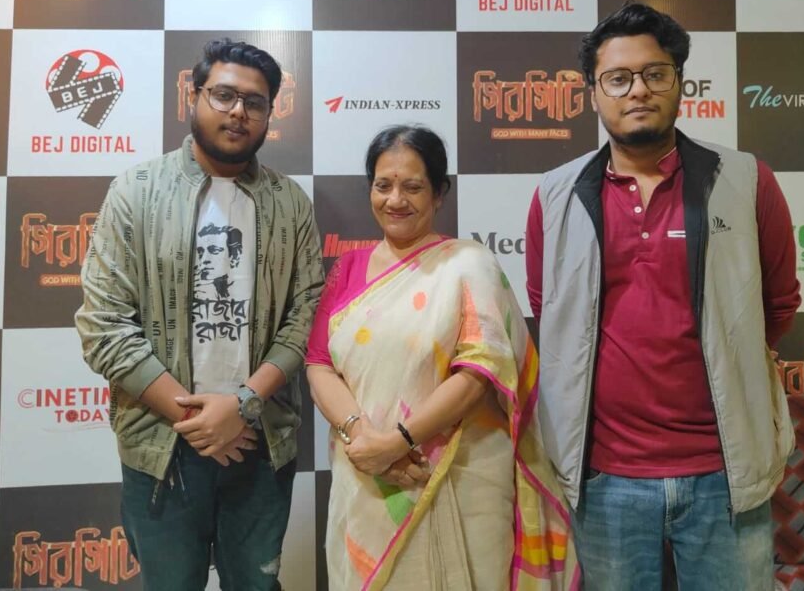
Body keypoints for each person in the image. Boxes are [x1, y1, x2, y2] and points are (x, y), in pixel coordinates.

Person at [527, 3, 802, 590]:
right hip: (605, 479)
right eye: (618, 78)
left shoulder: (745, 180)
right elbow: (550, 313)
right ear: (593, 92)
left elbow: (777, 305)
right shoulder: (556, 194)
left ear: (680, 83)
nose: (638, 90)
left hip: (726, 475)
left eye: (655, 74)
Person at [76, 39, 323, 591]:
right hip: (161, 441)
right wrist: (197, 420)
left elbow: (306, 314)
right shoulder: (136, 192)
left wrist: (244, 404)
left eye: (255, 102)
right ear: (194, 96)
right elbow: (103, 325)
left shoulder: (290, 203)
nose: (239, 112)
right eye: (224, 95)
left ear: (270, 113)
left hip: (259, 439)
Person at [306, 124, 576, 591]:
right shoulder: (347, 269)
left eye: (413, 187)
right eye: (383, 185)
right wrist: (366, 440)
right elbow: (319, 363)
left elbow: (482, 369)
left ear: (439, 194)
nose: (395, 200)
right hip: (366, 476)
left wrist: (398, 442)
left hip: (463, 476)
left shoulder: (469, 264)